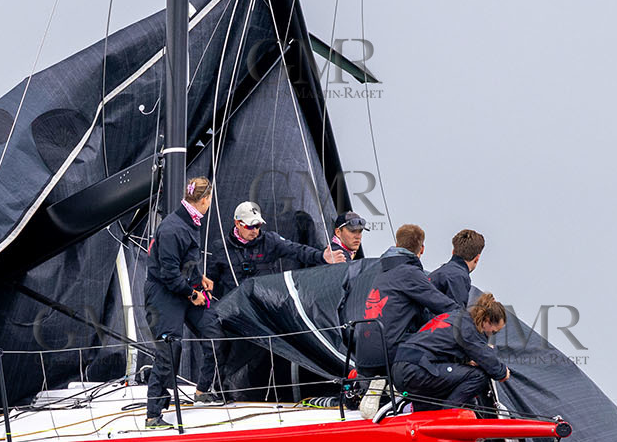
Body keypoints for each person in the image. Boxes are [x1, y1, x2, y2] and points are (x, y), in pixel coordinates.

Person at [143, 177, 224, 428]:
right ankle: (153, 414)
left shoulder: (191, 220)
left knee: (214, 333)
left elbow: (185, 259)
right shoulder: (172, 228)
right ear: (205, 200)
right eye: (210, 199)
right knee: (169, 348)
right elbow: (168, 274)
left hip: (184, 286)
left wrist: (200, 277)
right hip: (165, 293)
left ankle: (202, 390)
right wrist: (193, 293)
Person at [353, 223, 452, 383]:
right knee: (441, 355)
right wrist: (473, 321)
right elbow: (447, 307)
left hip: (363, 355)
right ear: (422, 249)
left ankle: (376, 386)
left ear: (397, 245)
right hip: (391, 355)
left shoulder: (381, 272)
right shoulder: (409, 273)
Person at [392, 292, 511, 412]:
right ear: (487, 320)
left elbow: (441, 347)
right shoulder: (469, 328)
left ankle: (412, 409)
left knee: (457, 384)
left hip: (400, 368)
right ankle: (449, 415)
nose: (491, 335)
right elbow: (492, 366)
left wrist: (465, 361)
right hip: (415, 370)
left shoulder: (456, 317)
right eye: (494, 332)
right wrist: (503, 371)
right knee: (478, 376)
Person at [211, 201, 344, 294]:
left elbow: (297, 250)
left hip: (263, 302)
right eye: (250, 226)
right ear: (237, 223)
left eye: (258, 225)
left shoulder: (270, 240)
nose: (255, 231)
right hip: (233, 309)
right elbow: (211, 279)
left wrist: (322, 257)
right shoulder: (220, 247)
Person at [428, 229, 485, 309]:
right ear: (477, 258)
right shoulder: (459, 277)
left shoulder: (437, 274)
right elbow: (455, 316)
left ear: (453, 251)